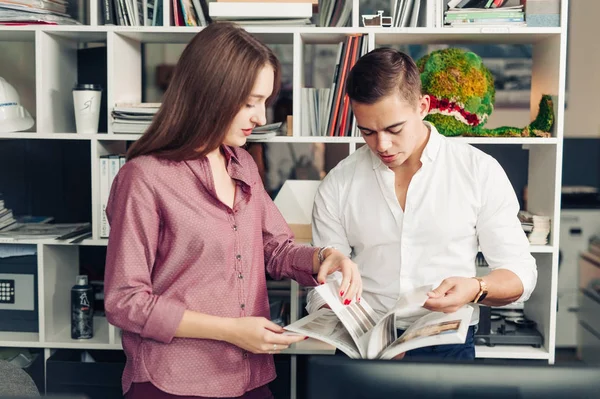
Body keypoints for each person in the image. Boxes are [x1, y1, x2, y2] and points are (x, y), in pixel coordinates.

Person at [103, 22, 362, 399]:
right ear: (210, 93)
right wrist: (230, 330)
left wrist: (325, 257)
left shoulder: (242, 163)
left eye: (265, 102)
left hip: (249, 375)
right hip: (172, 382)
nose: (260, 117)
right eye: (249, 102)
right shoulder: (143, 178)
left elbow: (275, 249)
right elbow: (125, 301)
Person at [306, 48, 537, 361]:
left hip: (447, 344)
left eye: (394, 129)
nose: (382, 145)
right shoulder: (338, 182)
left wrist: (475, 287)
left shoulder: (478, 171)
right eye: (367, 132)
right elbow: (329, 276)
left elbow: (520, 272)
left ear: (423, 106)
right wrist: (332, 306)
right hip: (363, 343)